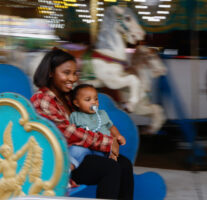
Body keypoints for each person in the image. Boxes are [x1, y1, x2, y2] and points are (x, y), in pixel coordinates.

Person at [30, 48, 133, 200]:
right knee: (110, 168)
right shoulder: (43, 99)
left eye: (75, 73)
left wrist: (110, 137)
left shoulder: (68, 98)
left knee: (124, 164)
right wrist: (107, 142)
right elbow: (66, 133)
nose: (72, 78)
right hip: (60, 159)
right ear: (50, 73)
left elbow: (89, 122)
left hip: (81, 151)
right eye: (66, 73)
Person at [69, 83, 126, 168]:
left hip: (103, 148)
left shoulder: (102, 114)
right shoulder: (75, 116)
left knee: (113, 153)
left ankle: (112, 160)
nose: (93, 102)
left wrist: (118, 135)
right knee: (76, 150)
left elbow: (111, 127)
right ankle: (68, 168)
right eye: (88, 100)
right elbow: (73, 133)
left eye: (96, 99)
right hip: (86, 147)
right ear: (77, 103)